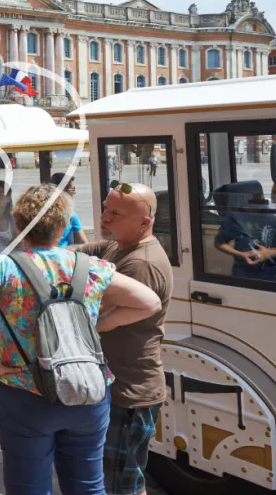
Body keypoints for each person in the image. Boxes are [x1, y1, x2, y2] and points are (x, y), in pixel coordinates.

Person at [0, 183, 162, 495]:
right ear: (63, 226)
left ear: (19, 225)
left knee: (29, 487)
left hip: (25, 394)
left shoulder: (4, 267)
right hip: (88, 393)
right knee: (88, 486)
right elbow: (149, 302)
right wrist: (100, 324)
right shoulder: (90, 267)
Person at [71, 182, 173, 495]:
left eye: (116, 213)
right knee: (124, 481)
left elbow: (95, 315)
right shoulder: (119, 245)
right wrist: (41, 254)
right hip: (121, 388)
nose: (105, 217)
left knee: (120, 485)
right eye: (105, 207)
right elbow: (78, 254)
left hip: (130, 392)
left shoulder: (139, 263)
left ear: (145, 223)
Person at [50, 172, 89, 246]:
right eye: (73, 189)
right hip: (63, 254)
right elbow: (84, 243)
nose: (74, 193)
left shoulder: (39, 212)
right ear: (63, 191)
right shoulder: (70, 215)